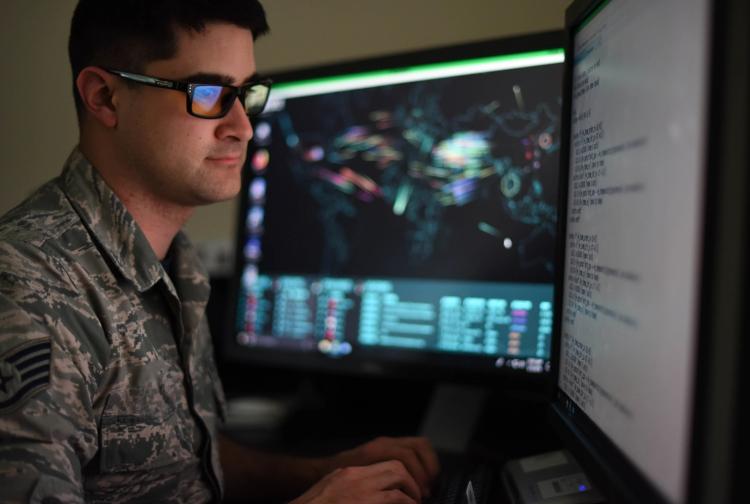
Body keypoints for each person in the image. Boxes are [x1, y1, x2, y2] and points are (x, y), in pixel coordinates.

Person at [0, 1, 439, 502]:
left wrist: (320, 472)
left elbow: (179, 463)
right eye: (207, 93)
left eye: (245, 93)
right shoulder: (28, 291)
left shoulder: (172, 259)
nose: (243, 127)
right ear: (105, 97)